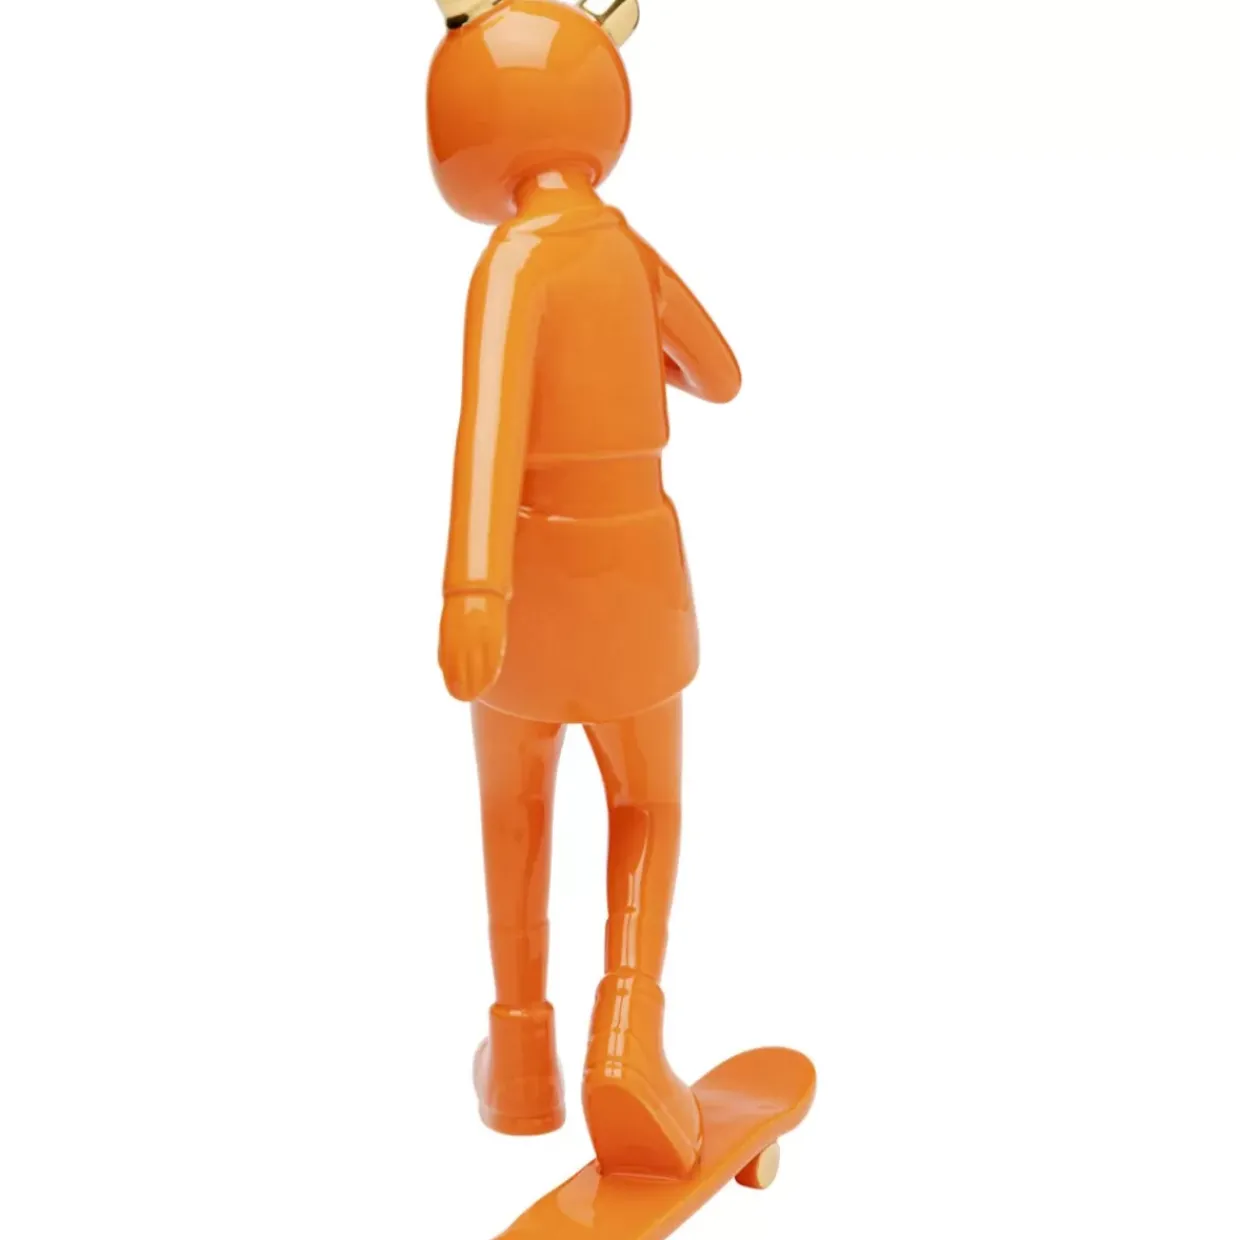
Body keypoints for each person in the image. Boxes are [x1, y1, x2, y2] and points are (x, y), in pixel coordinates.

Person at [428, 0, 741, 1179]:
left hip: (527, 584)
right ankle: (627, 1030)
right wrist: (631, 345)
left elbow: (488, 432)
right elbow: (722, 373)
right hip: (639, 575)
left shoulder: (509, 262)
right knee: (646, 805)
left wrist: (472, 591)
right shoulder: (630, 255)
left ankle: (522, 1062)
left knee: (512, 809)